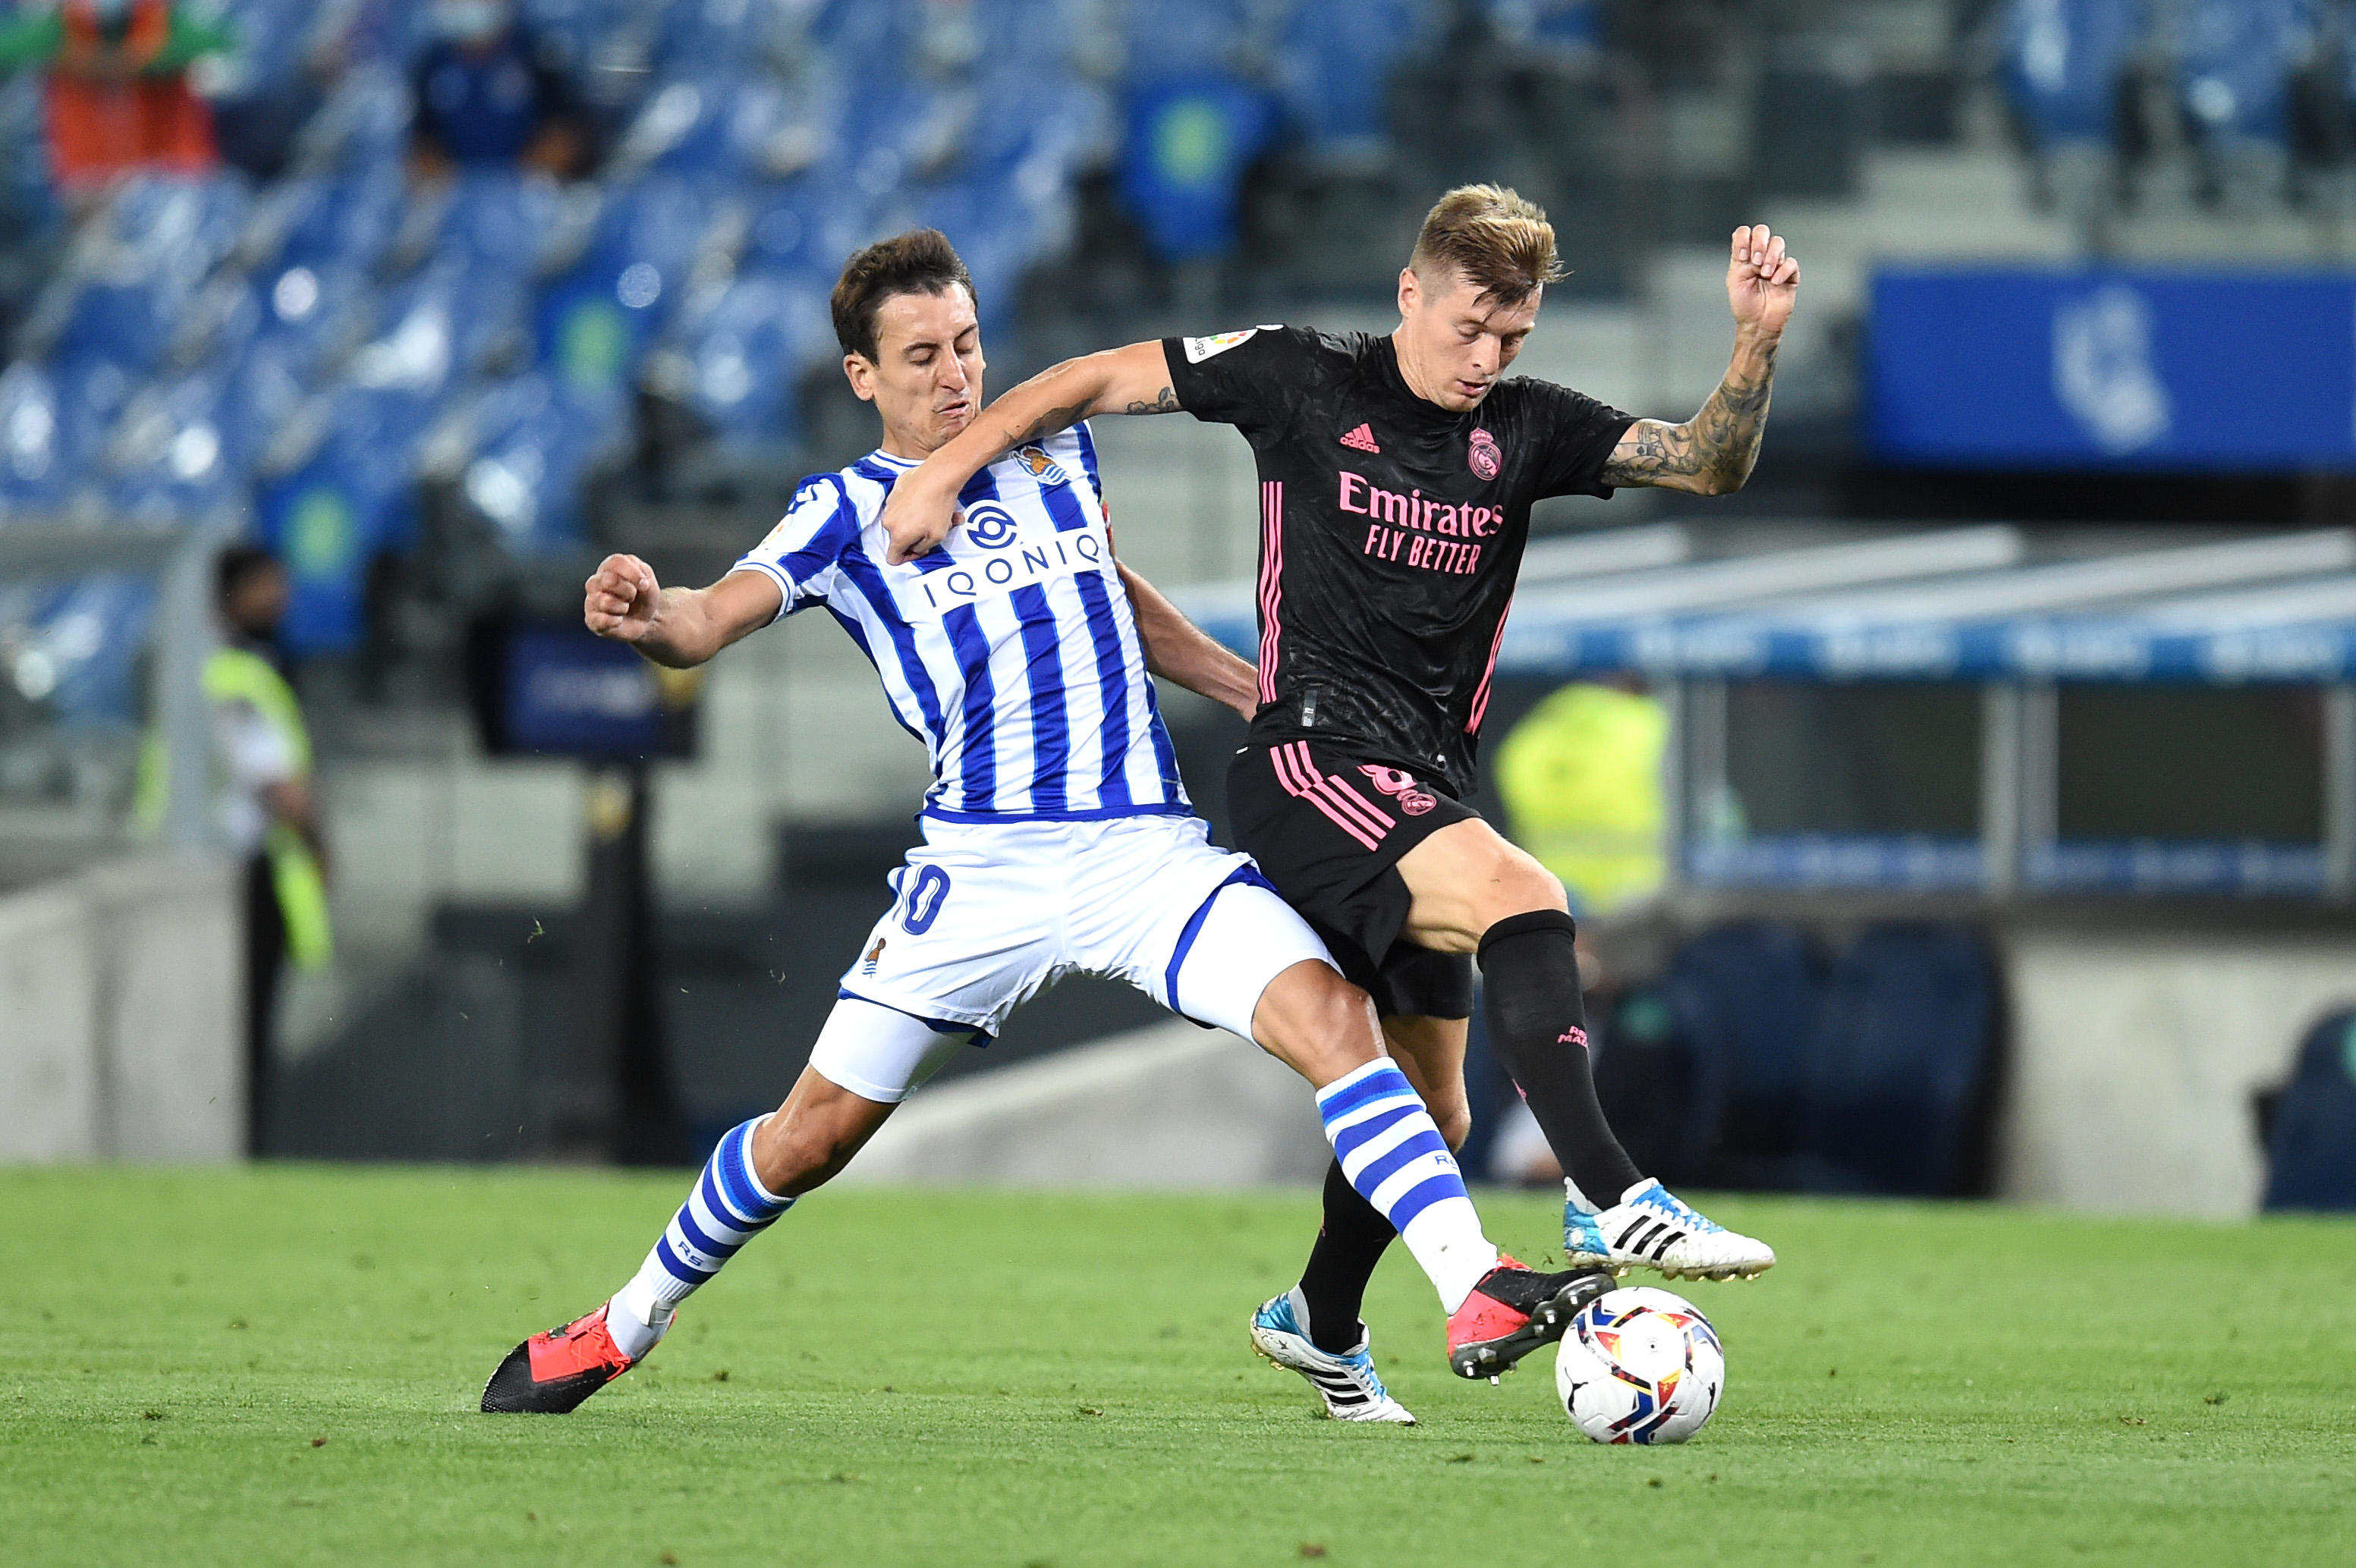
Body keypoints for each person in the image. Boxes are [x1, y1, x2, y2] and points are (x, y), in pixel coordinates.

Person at [480, 228, 1610, 1421]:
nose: (954, 373)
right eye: (920, 355)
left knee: (1339, 1023)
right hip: (981, 865)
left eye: (966, 344)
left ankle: (1471, 1286)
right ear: (862, 375)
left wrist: (1257, 692)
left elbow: (1111, 595)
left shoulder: (1055, 449)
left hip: (1142, 848)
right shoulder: (842, 509)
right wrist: (652, 609)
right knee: (807, 1139)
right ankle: (619, 1323)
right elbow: (711, 617)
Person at [879, 186, 1792, 1416]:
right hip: (1308, 761)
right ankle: (1609, 1190)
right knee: (1529, 895)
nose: (1487, 359)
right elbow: (1090, 378)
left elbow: (1707, 461)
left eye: (1512, 338)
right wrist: (944, 468)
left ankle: (1319, 1318)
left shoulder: (1526, 431)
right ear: (1411, 293)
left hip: (1420, 781)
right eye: (1470, 327)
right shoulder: (1300, 376)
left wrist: (1754, 341)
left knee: (1436, 1105)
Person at [136, 547, 332, 1155]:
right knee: (243, 1032)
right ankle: (235, 1149)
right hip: (240, 874)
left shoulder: (196, 665)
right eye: (265, 585)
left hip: (187, 869)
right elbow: (278, 785)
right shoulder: (237, 671)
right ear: (228, 594)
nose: (279, 598)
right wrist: (321, 846)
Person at [0, 0, 234, 193]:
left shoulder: (168, 26)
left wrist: (146, 61)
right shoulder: (58, 31)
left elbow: (229, 44)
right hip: (87, 187)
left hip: (175, 182)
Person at [407, 0, 585, 182]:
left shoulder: (536, 56)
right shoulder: (433, 64)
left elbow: (563, 135)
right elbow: (422, 146)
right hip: (456, 192)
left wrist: (525, 181)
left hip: (526, 189)